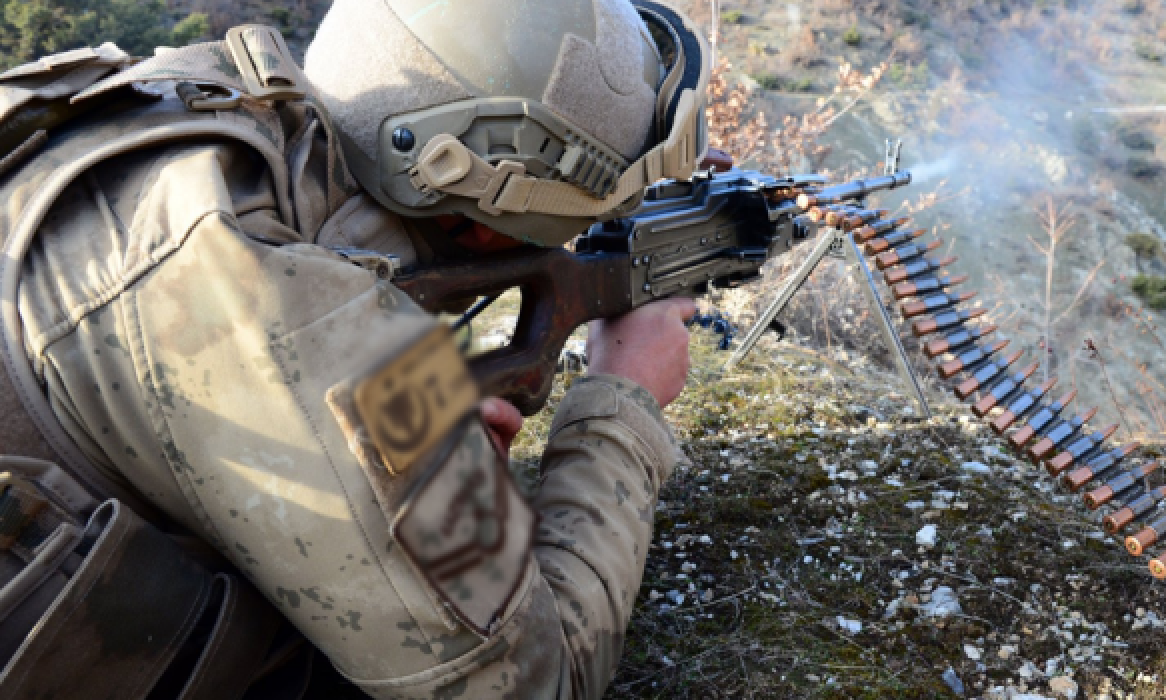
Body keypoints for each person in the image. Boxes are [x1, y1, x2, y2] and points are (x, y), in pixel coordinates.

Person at [0, 0, 710, 697]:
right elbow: (531, 679)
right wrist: (623, 398)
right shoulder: (331, 339)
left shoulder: (206, 112)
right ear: (493, 219)